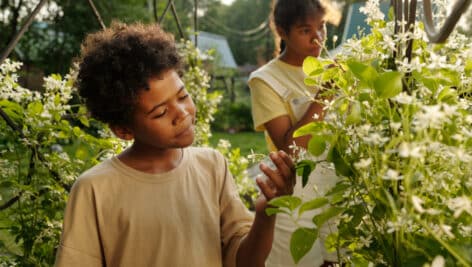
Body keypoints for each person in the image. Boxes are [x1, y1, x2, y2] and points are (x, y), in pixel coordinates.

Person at [54, 22, 296, 267]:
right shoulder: (94, 189)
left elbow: (245, 262)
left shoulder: (212, 166)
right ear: (124, 130)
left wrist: (267, 213)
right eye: (160, 113)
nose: (182, 113)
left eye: (182, 96)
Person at [248, 0, 339, 266]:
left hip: (338, 187)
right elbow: (291, 149)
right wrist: (325, 94)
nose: (318, 37)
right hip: (294, 191)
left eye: (321, 26)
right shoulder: (265, 79)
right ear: (282, 31)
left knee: (338, 259)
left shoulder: (334, 68)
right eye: (305, 30)